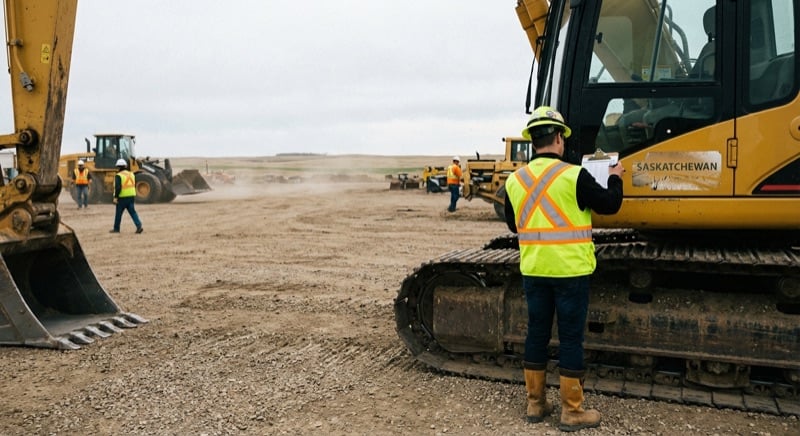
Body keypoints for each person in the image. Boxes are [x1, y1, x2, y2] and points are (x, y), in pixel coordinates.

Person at [504, 106, 624, 432]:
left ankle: (535, 404)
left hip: (534, 270)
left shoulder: (514, 180)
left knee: (537, 334)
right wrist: (614, 178)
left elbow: (515, 225)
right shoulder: (574, 175)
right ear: (559, 138)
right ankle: (572, 411)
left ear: (532, 142)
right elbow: (610, 205)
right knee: (570, 340)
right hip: (570, 272)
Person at [110, 158, 143, 234]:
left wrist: (115, 197)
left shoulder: (119, 175)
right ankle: (139, 226)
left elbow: (118, 187)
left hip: (122, 197)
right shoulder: (131, 174)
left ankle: (116, 229)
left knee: (118, 214)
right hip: (131, 196)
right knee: (133, 212)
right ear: (125, 166)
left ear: (118, 167)